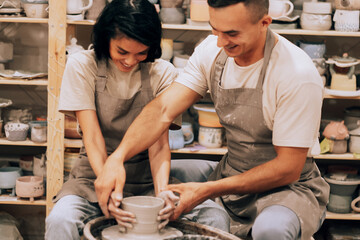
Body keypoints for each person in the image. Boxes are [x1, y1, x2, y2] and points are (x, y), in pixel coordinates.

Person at [94, 0, 330, 239]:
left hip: (287, 189)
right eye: (215, 29)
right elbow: (162, 110)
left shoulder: (296, 74)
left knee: (270, 230)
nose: (220, 41)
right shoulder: (213, 50)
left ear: (264, 23)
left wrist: (207, 190)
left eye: (231, 33)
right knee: (146, 177)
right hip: (231, 172)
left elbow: (288, 169)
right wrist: (118, 157)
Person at [45, 0, 230, 239]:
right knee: (60, 220)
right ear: (106, 38)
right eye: (122, 51)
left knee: (214, 217)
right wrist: (108, 188)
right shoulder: (82, 66)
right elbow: (92, 136)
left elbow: (159, 144)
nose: (131, 61)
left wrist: (162, 193)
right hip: (92, 178)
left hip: (148, 180)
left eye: (141, 52)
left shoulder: (161, 72)